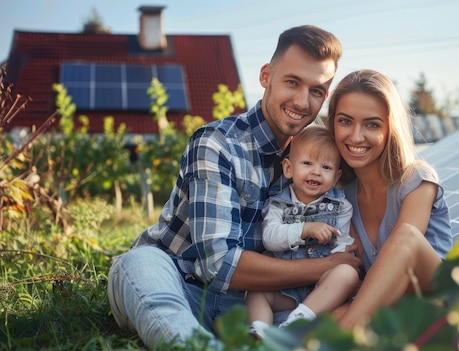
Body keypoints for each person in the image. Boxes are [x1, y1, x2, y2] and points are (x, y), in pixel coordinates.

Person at [106, 25, 361, 349]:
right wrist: (325, 267)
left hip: (249, 304)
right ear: (266, 76)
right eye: (292, 82)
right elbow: (217, 263)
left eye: (316, 90)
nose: (302, 101)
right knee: (139, 263)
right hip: (179, 281)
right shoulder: (217, 143)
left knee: (336, 312)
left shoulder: (317, 161)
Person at [325, 69, 453, 329]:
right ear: (332, 124)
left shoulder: (417, 180)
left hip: (442, 303)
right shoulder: (342, 198)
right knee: (330, 313)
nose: (356, 136)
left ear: (390, 128)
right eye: (345, 121)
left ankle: (336, 341)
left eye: (372, 124)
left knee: (405, 236)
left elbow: (404, 266)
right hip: (392, 316)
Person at [246, 125, 359, 337]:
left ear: (336, 176)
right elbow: (270, 238)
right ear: (289, 168)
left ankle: (298, 321)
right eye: (307, 163)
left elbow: (343, 243)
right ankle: (259, 330)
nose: (316, 171)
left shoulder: (341, 206)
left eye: (326, 167)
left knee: (347, 273)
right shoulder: (278, 204)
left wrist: (341, 254)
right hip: (283, 287)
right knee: (256, 290)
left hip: (321, 288)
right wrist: (304, 229)